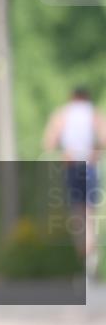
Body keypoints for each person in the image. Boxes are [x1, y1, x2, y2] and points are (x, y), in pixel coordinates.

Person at [42, 87, 106, 271]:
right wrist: (95, 151)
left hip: (72, 165)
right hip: (89, 165)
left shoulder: (63, 114)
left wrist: (64, 151)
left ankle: (83, 253)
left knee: (77, 211)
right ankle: (90, 255)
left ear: (72, 98)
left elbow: (48, 142)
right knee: (89, 211)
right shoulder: (93, 113)